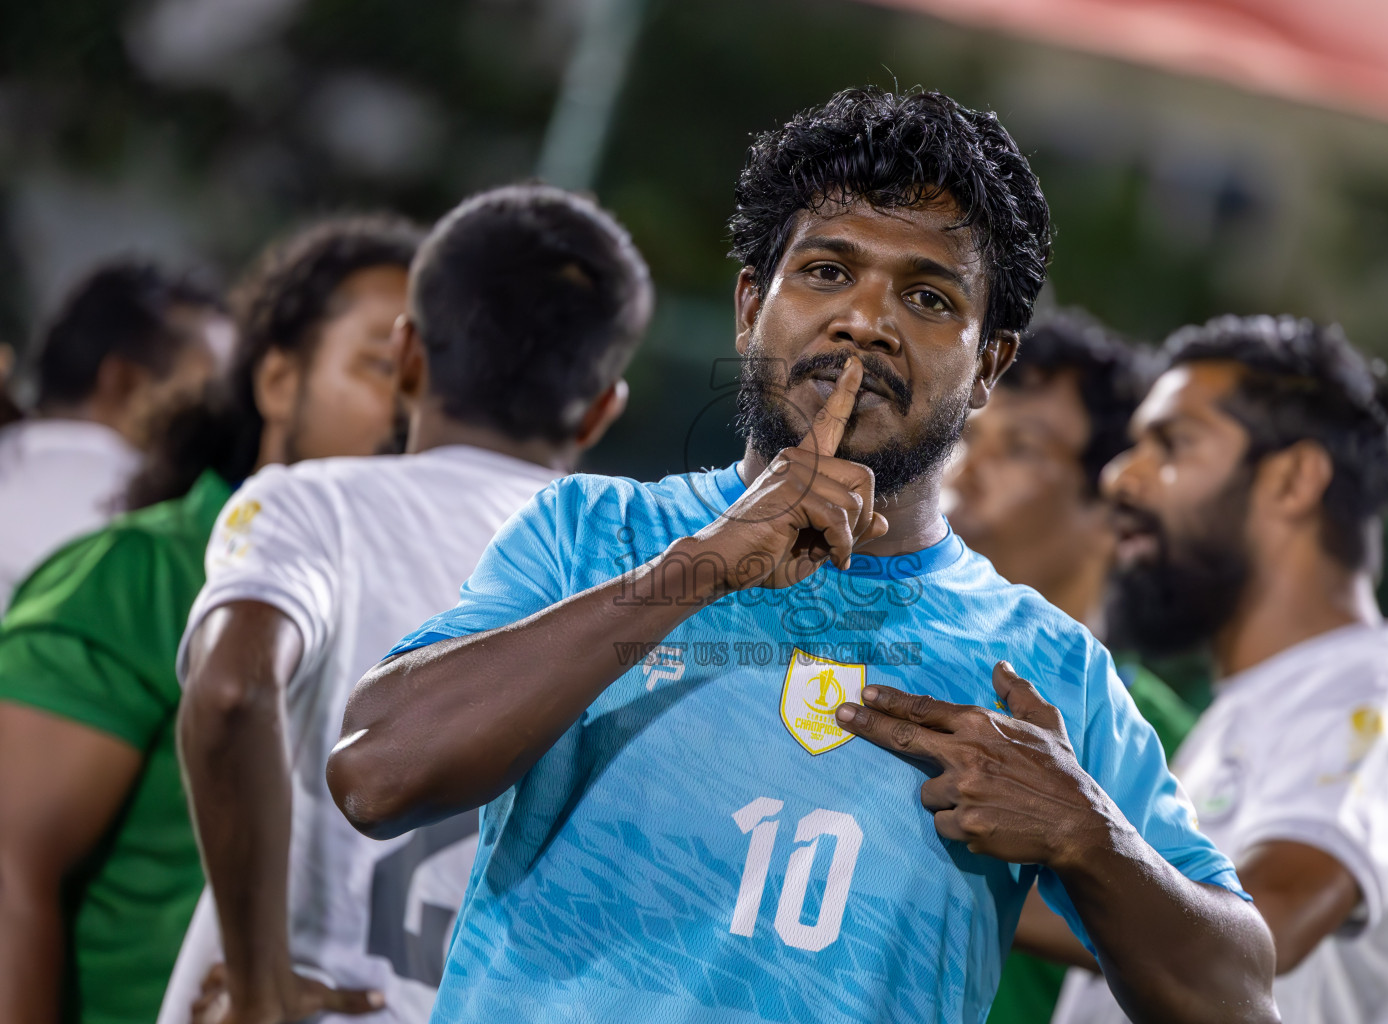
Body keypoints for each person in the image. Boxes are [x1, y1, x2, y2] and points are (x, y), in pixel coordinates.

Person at [327, 89, 1278, 1024]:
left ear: (988, 364)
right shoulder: (590, 534)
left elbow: (1241, 995)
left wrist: (1091, 837)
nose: (866, 319)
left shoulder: (1044, 668)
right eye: (827, 271)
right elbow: (375, 773)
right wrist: (695, 569)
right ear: (751, 305)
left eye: (927, 295)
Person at [159, 184, 648, 1024]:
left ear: (408, 358)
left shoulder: (314, 507)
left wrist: (259, 980)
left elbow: (231, 689)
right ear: (603, 409)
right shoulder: (636, 587)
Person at [0, 215, 421, 1024]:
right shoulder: (138, 577)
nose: (408, 413)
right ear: (276, 384)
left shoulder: (439, 629)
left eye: (431, 382)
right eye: (380, 366)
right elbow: (12, 872)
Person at [1048, 316, 1388, 1024]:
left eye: (1171, 444)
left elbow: (1255, 937)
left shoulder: (1386, 695)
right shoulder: (1243, 714)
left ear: (1293, 480)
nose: (1119, 475)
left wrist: (1020, 847)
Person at [942, 311, 1197, 1024]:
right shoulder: (864, 653)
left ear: (1113, 502)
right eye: (967, 432)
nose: (966, 467)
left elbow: (1196, 954)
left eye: (1018, 446)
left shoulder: (1166, 742)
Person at [0, 260, 233, 605]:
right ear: (125, 382)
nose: (229, 415)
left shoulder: (14, 457)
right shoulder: (140, 514)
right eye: (210, 390)